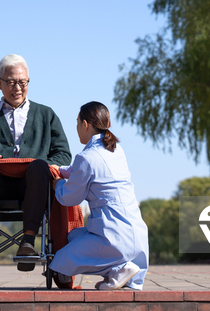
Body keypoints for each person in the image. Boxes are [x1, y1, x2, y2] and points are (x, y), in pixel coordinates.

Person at [0, 54, 72, 272]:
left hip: (33, 186)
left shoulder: (46, 115)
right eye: (11, 82)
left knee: (40, 166)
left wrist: (44, 164)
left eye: (23, 82)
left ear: (29, 81)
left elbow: (63, 154)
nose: (18, 88)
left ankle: (28, 243)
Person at [49, 101, 149, 290]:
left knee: (61, 261)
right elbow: (82, 169)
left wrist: (58, 184)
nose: (77, 128)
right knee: (74, 237)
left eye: (77, 123)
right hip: (136, 234)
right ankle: (119, 274)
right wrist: (61, 170)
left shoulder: (86, 158)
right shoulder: (116, 149)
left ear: (85, 124)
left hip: (113, 236)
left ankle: (119, 268)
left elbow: (70, 198)